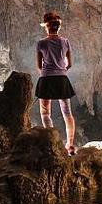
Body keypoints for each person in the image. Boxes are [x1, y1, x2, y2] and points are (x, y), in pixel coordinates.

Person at [35, 11, 77, 154]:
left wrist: (48, 71)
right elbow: (69, 64)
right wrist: (61, 69)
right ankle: (70, 146)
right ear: (58, 27)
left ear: (46, 27)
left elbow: (39, 66)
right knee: (67, 113)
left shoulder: (41, 43)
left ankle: (52, 144)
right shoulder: (65, 42)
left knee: (46, 114)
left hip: (46, 79)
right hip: (61, 79)